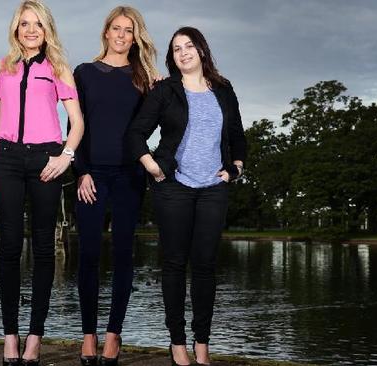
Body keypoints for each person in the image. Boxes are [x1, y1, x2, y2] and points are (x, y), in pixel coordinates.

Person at [127, 26, 246, 366]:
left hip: (213, 189)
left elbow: (237, 134)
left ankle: (202, 345)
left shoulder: (224, 90)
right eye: (177, 48)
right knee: (175, 265)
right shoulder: (165, 91)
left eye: (189, 46)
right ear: (172, 57)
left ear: (202, 51)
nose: (183, 52)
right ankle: (177, 344)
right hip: (174, 187)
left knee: (206, 267)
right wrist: (151, 165)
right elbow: (136, 133)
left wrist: (235, 168)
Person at [0, 1, 84, 364]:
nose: (31, 30)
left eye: (38, 25)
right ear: (16, 28)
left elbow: (77, 122)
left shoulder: (59, 68)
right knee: (9, 248)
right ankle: (10, 336)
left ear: (47, 30)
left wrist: (65, 157)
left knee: (44, 249)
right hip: (8, 158)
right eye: (25, 23)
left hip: (46, 159)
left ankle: (35, 338)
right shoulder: (0, 67)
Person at [72, 6, 158, 366]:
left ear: (135, 37)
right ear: (106, 32)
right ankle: (89, 335)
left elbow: (150, 126)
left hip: (129, 176)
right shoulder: (84, 73)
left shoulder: (145, 80)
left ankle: (113, 335)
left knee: (124, 255)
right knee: (89, 255)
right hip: (91, 174)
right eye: (117, 29)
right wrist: (80, 170)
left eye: (129, 30)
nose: (122, 35)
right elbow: (75, 126)